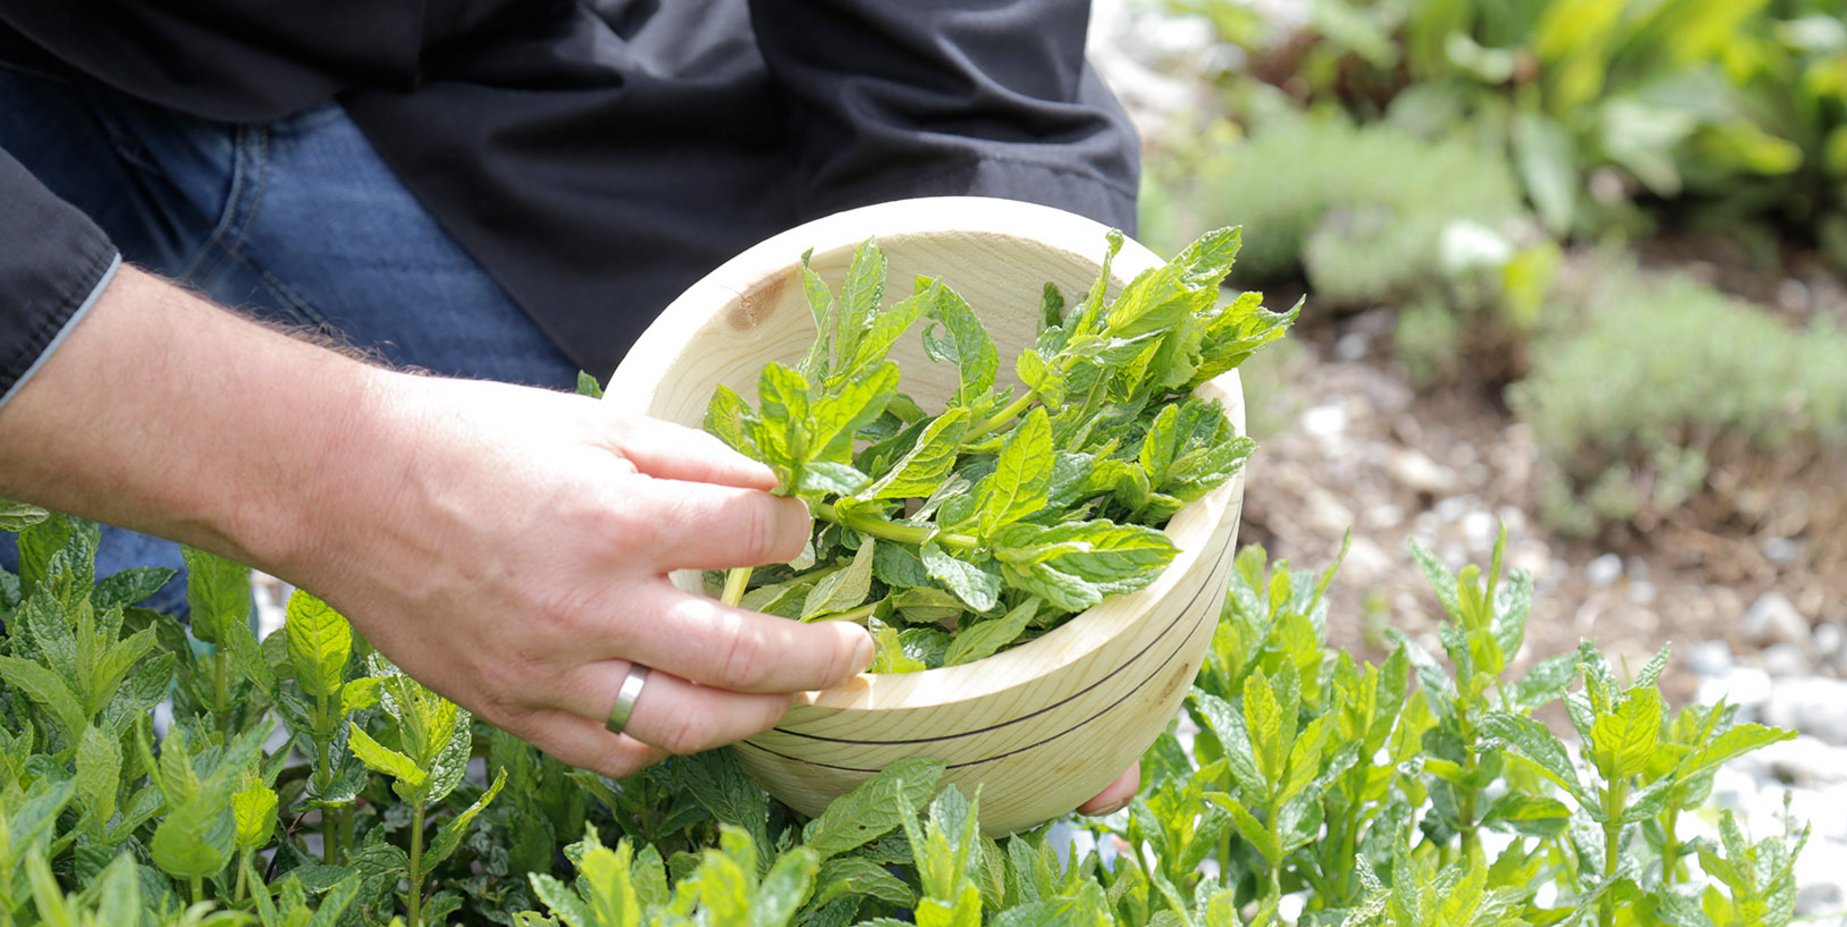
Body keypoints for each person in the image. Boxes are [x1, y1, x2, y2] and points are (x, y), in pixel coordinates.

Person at [0, 2, 1143, 811]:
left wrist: (1004, 351)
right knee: (110, 743)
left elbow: (959, 71)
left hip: (454, 50)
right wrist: (349, 476)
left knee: (688, 529)